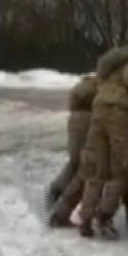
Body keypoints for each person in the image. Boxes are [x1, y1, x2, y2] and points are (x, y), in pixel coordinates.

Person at [78, 45, 128, 239]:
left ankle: (86, 217)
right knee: (122, 170)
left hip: (98, 114)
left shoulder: (105, 72)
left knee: (97, 170)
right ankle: (104, 215)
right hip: (119, 115)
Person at [46, 74, 98, 227]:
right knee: (85, 168)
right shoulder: (103, 88)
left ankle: (57, 188)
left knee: (74, 163)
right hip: (87, 124)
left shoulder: (86, 86)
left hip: (75, 122)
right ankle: (62, 206)